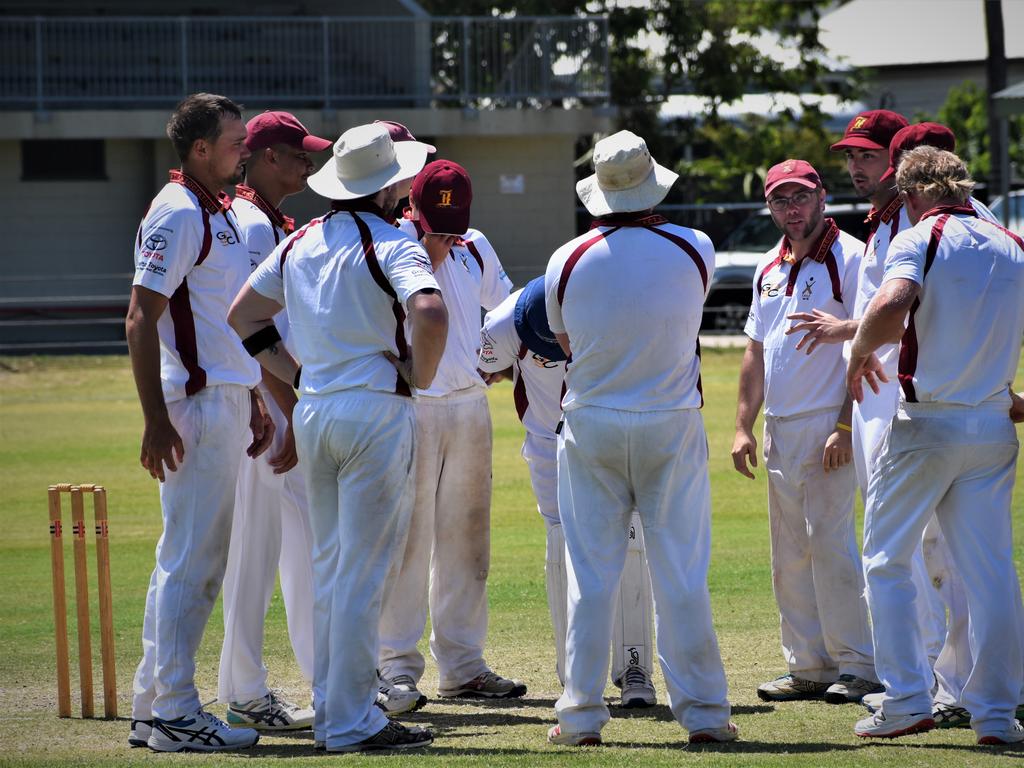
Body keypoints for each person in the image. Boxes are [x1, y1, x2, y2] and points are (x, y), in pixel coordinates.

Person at [228, 122, 447, 752]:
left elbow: (244, 315)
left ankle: (335, 710)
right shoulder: (391, 239)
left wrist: (297, 376)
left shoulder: (301, 242)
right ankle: (351, 721)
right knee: (362, 573)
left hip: (317, 410)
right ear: (385, 185)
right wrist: (419, 376)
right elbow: (429, 312)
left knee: (331, 569)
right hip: (375, 410)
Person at [788, 117, 1000, 727]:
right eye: (849, 155)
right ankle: (939, 679)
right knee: (911, 550)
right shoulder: (886, 219)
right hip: (886, 399)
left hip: (922, 397)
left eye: (869, 155)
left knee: (938, 550)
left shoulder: (936, 220)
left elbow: (916, 308)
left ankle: (956, 683)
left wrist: (848, 335)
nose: (857, 167)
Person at [544, 130, 736, 746]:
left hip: (594, 419)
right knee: (680, 571)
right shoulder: (696, 246)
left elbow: (565, 341)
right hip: (669, 419)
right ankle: (705, 714)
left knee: (590, 575)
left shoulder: (566, 257)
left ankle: (578, 716)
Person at [848, 146, 1024, 744]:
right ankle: (997, 714)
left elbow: (894, 302)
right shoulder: (1010, 243)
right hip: (993, 424)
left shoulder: (920, 235)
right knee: (992, 572)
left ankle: (905, 700)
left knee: (885, 559)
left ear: (911, 194)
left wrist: (857, 353)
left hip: (928, 423)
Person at [126, 93, 270, 752]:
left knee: (185, 562)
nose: (245, 149)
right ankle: (176, 715)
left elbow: (221, 320)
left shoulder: (219, 211)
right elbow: (139, 316)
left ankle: (153, 707)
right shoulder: (180, 212)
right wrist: (156, 422)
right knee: (193, 565)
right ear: (200, 149)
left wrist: (257, 396)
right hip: (198, 407)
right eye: (235, 140)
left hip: (225, 400)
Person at [732, 159, 880, 705]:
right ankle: (809, 666)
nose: (792, 209)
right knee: (789, 552)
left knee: (832, 545)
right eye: (780, 200)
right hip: (781, 427)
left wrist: (844, 423)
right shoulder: (769, 265)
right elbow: (755, 349)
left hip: (829, 424)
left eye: (800, 197)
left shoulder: (851, 257)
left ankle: (859, 664)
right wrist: (744, 426)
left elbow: (863, 343)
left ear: (822, 196)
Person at [378, 159, 523, 703]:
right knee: (407, 542)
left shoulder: (475, 245)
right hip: (411, 406)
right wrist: (428, 256)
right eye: (436, 226)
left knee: (467, 543)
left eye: (453, 228)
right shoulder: (393, 245)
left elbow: (504, 306)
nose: (445, 238)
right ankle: (394, 665)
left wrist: (501, 354)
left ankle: (463, 665)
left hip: (467, 404)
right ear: (413, 206)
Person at [477, 277, 658, 708]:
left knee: (630, 544)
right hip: (547, 445)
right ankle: (574, 676)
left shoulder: (612, 306)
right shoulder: (502, 322)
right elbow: (489, 370)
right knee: (562, 549)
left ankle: (635, 669)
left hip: (609, 435)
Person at [217, 111, 331, 732]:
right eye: (296, 155)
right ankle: (245, 690)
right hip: (265, 412)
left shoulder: (258, 218)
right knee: (254, 558)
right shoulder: (255, 224)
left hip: (269, 403)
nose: (307, 165)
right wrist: (285, 412)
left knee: (293, 553)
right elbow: (250, 329)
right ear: (264, 158)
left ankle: (326, 680)